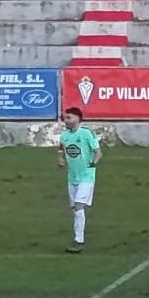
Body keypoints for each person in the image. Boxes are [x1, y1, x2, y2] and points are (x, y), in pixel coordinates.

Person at [57, 107, 101, 253]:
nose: (66, 120)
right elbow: (61, 148)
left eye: (69, 117)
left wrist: (94, 162)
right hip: (72, 177)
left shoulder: (86, 133)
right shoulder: (64, 136)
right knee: (75, 209)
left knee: (78, 207)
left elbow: (98, 152)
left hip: (86, 177)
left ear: (77, 118)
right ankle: (78, 237)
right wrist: (60, 158)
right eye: (65, 118)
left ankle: (78, 240)